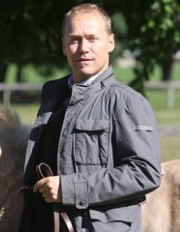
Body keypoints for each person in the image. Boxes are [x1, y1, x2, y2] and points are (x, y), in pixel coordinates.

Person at [19, 3, 161, 232]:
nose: (83, 48)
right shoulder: (52, 100)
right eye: (74, 39)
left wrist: (70, 189)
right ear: (63, 45)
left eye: (92, 38)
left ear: (110, 42)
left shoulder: (126, 102)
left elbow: (145, 172)